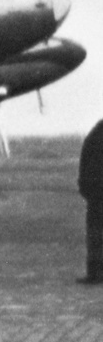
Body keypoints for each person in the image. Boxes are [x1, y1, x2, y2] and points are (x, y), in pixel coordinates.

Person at [78, 119, 103, 284]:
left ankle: (95, 272)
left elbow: (86, 159)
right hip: (96, 190)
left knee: (95, 234)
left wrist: (85, 185)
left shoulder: (96, 133)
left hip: (95, 191)